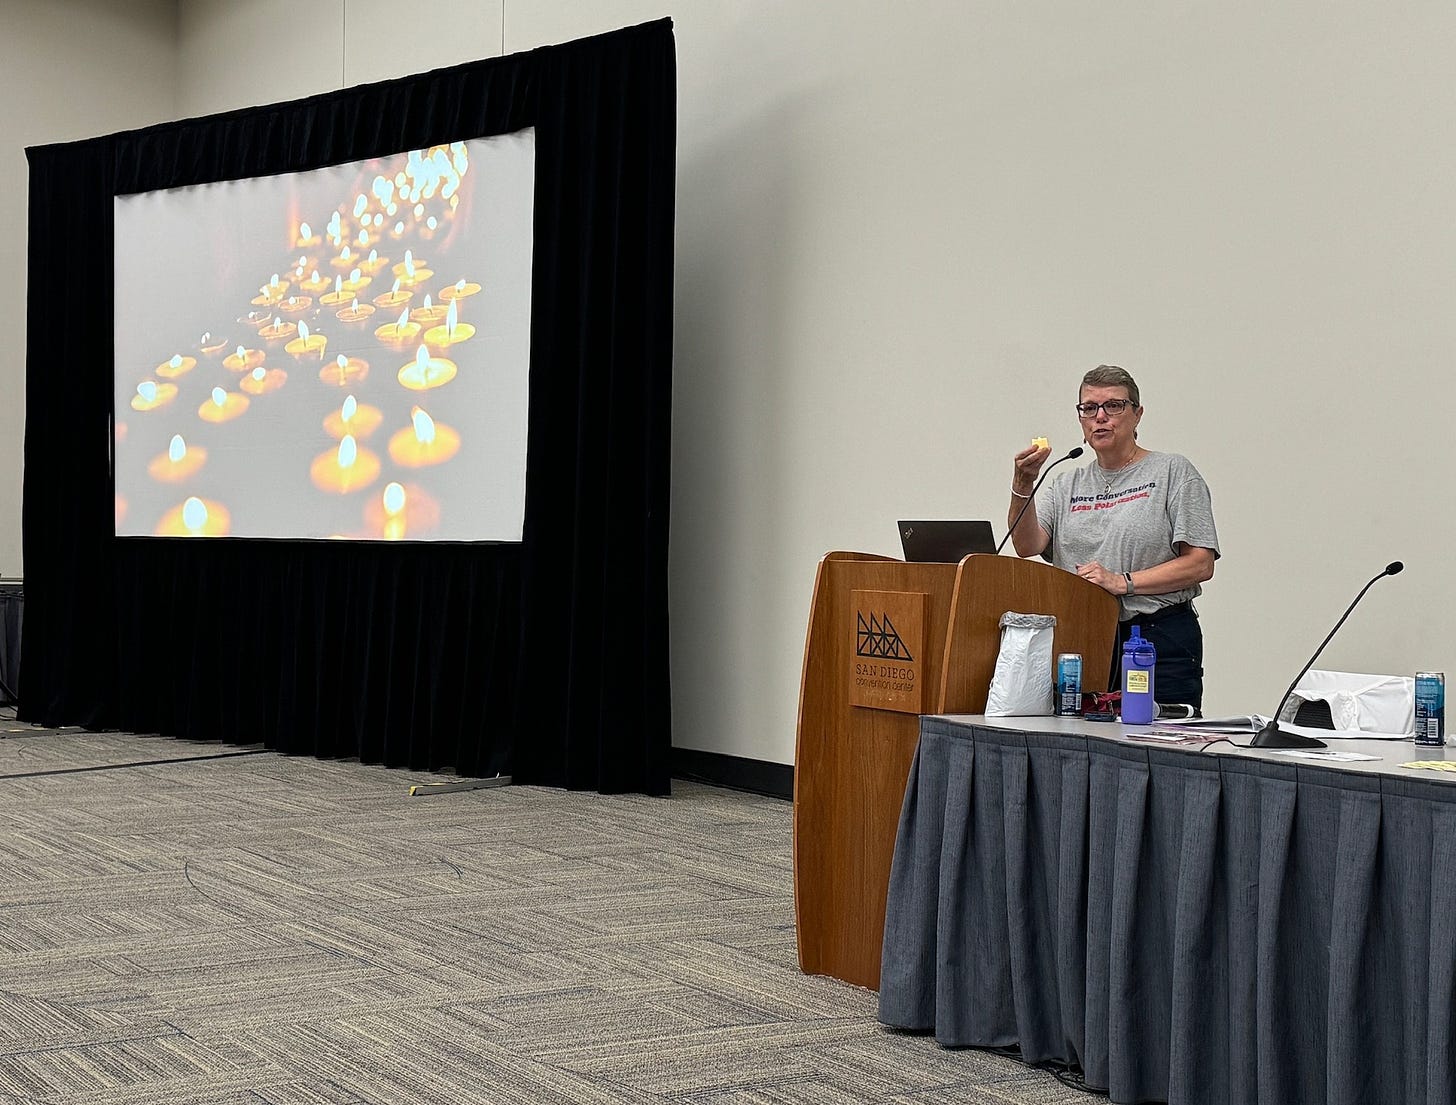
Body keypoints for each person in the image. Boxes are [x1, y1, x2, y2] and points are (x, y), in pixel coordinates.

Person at [1007, 365, 1219, 708]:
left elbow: (1200, 564)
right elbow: (1026, 545)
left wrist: (1123, 582)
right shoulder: (1064, 484)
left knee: (1154, 747)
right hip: (1083, 638)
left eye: (1114, 406)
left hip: (1156, 638)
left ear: (1137, 415)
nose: (1100, 417)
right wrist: (1023, 484)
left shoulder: (1172, 472)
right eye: (1089, 408)